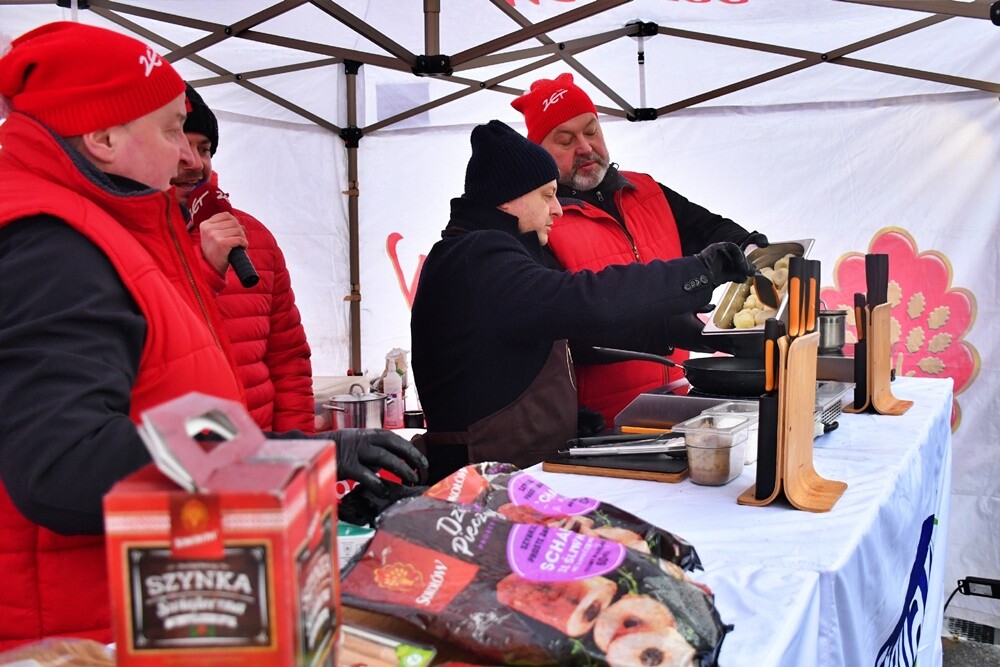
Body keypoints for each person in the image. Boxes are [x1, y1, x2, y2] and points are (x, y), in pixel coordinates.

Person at [0, 22, 426, 650]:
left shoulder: (123, 226)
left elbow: (175, 421)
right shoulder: (54, 244)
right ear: (102, 137)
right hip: (91, 627)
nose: (185, 155)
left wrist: (305, 449)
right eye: (172, 129)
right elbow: (67, 465)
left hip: (159, 604)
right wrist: (285, 462)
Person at [410, 120, 755, 483]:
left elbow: (569, 334)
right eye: (547, 195)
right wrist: (697, 271)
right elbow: (587, 301)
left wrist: (677, 329)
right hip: (480, 477)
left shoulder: (488, 254)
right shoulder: (476, 256)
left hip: (512, 467)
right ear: (508, 199)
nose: (557, 210)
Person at [512, 73, 770, 426]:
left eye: (591, 131)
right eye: (565, 140)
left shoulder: (645, 190)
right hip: (601, 422)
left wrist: (751, 248)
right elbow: (566, 333)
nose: (585, 148)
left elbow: (710, 229)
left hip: (681, 401)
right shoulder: (542, 221)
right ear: (539, 153)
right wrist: (663, 328)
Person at [172, 84, 315, 433]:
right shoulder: (125, 239)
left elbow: (288, 360)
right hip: (179, 466)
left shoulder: (254, 238)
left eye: (204, 148)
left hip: (265, 460)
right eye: (180, 145)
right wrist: (205, 266)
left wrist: (296, 451)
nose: (195, 162)